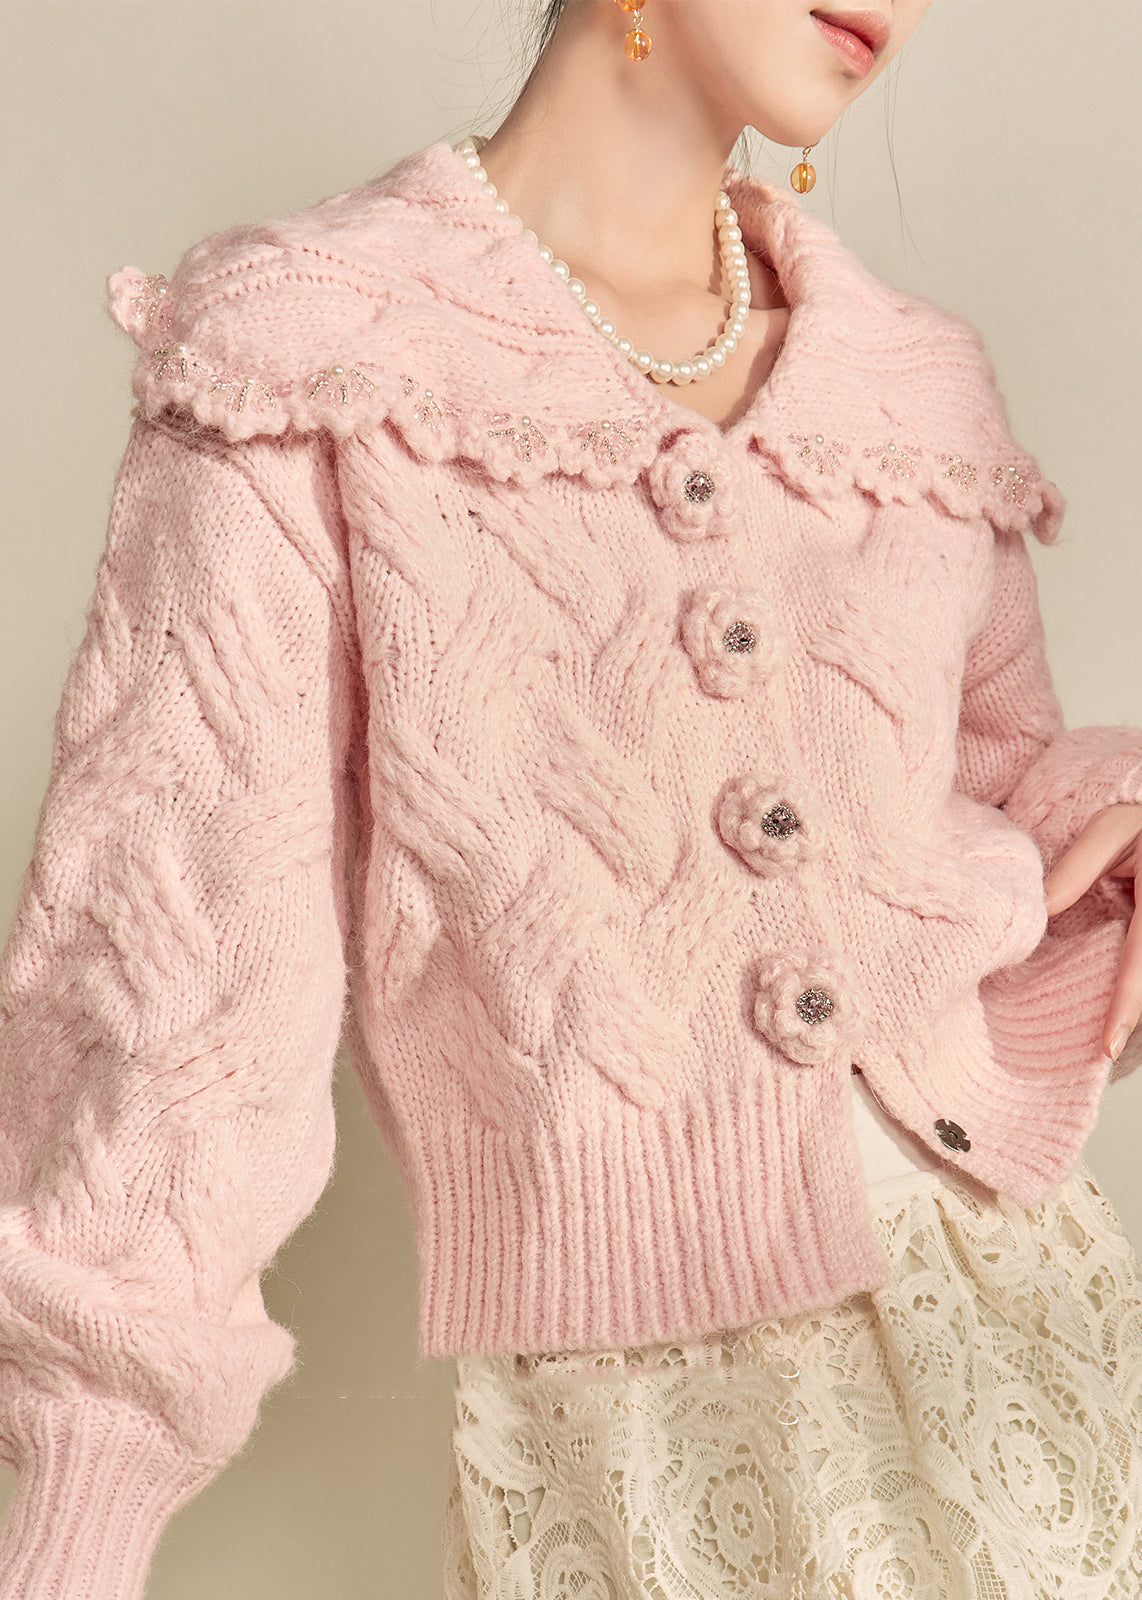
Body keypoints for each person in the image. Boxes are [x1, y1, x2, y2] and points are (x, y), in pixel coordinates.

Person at [2, 0, 1142, 1596]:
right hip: (647, 1422)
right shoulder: (305, 352)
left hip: (1021, 1340)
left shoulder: (913, 384)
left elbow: (997, 789)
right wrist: (77, 1519)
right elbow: (184, 972)